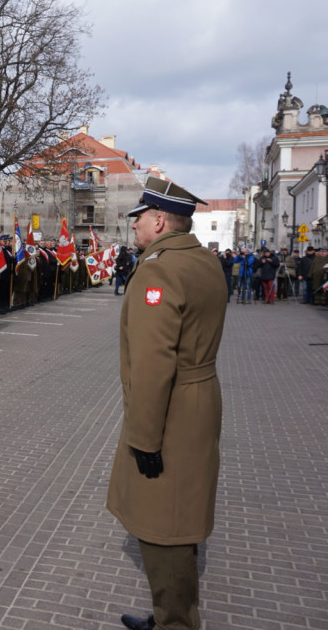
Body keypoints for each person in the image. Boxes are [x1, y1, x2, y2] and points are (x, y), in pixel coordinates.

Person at [108, 177, 227, 630]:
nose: (134, 226)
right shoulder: (202, 260)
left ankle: (176, 622)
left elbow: (154, 365)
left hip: (171, 411)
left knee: (165, 526)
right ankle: (169, 615)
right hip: (198, 399)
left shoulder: (158, 269)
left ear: (159, 221)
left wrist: (144, 439)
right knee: (182, 513)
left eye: (138, 218)